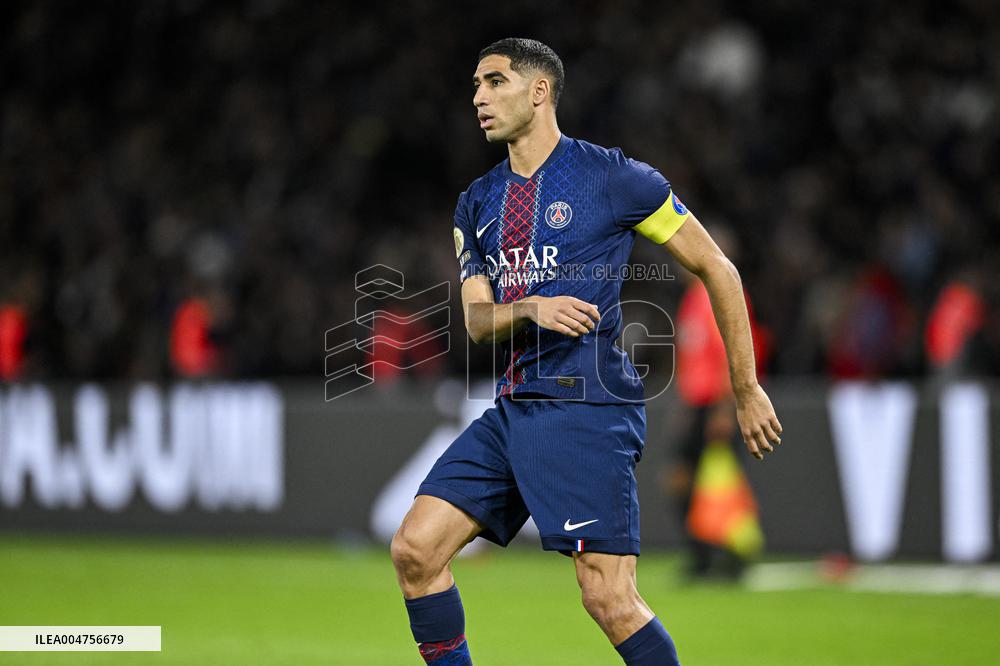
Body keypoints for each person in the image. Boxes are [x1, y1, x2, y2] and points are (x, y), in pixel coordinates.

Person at [391, 38, 782, 666]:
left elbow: (718, 267)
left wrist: (746, 386)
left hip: (587, 408)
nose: (478, 98)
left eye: (494, 82)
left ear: (539, 91)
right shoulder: (477, 202)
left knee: (608, 596)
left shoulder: (614, 178)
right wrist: (530, 307)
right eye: (475, 86)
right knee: (416, 550)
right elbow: (477, 321)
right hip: (515, 410)